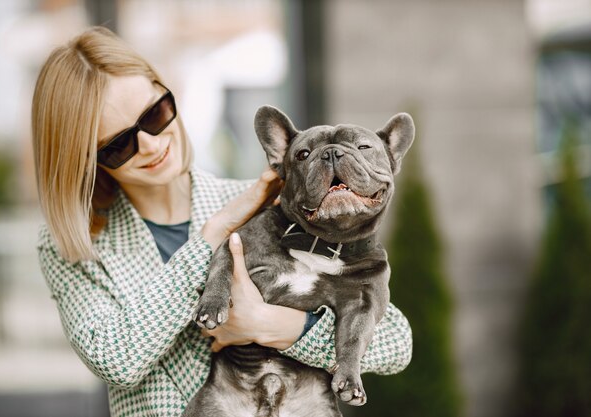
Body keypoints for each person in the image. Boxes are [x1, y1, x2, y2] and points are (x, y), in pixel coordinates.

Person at [32, 26, 412, 417]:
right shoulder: (74, 243)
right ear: (86, 158)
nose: (151, 143)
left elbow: (395, 344)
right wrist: (213, 233)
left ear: (168, 93)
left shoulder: (277, 205)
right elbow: (117, 360)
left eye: (154, 114)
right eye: (118, 144)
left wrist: (278, 326)